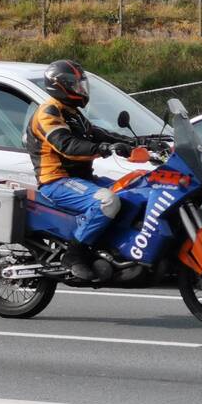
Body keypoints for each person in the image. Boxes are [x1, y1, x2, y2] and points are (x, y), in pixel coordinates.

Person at [25, 60, 135, 281]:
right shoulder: (48, 112)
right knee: (107, 201)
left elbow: (99, 134)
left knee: (132, 190)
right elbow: (67, 145)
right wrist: (104, 149)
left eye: (81, 84)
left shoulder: (72, 113)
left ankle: (110, 247)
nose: (81, 89)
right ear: (60, 86)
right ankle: (74, 254)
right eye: (75, 85)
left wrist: (140, 142)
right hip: (56, 181)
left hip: (81, 179)